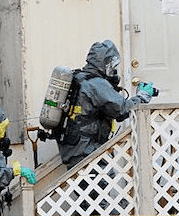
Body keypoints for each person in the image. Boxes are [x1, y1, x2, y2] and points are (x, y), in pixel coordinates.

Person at [57, 39, 155, 169]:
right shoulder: (97, 84)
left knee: (87, 187)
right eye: (112, 66)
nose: (114, 70)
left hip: (74, 147)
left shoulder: (80, 77)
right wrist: (142, 96)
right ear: (106, 63)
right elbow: (122, 110)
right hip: (87, 151)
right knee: (100, 185)